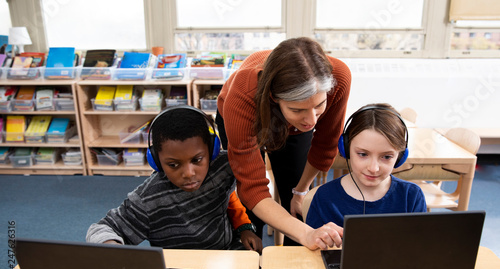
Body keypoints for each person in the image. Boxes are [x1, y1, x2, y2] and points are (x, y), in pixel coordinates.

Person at [216, 37, 351, 249]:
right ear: (274, 97)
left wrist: (300, 192)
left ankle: (292, 266)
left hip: (292, 128)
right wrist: (307, 234)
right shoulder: (243, 94)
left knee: (296, 204)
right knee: (251, 209)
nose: (312, 120)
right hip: (247, 114)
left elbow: (325, 146)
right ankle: (253, 261)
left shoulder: (339, 77)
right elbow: (252, 188)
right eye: (297, 109)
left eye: (319, 105)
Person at [86, 106, 263, 254]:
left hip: (225, 254)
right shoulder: (147, 199)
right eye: (173, 165)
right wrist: (111, 247)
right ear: (155, 160)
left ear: (212, 150)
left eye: (196, 160)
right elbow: (100, 229)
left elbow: (236, 191)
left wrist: (244, 228)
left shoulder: (223, 167)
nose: (188, 173)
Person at [306, 103, 427, 229]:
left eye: (386, 157)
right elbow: (310, 247)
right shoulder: (325, 196)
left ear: (400, 156)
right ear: (345, 148)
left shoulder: (411, 196)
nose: (373, 168)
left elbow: (422, 246)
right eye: (363, 154)